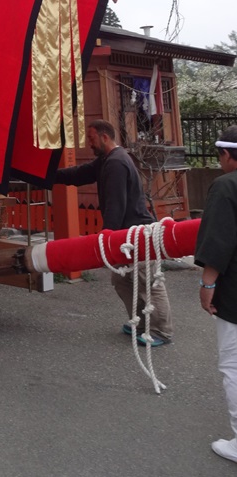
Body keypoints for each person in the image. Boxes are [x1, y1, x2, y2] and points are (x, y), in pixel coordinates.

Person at [53, 119, 173, 345]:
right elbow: (79, 174)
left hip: (137, 233)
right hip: (123, 234)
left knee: (148, 284)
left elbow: (115, 204)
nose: (89, 143)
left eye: (91, 138)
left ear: (104, 137)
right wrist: (48, 176)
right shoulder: (106, 161)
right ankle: (139, 322)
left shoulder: (117, 162)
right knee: (123, 281)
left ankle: (161, 331)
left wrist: (106, 238)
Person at [195, 125, 237, 463]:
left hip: (236, 291)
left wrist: (208, 286)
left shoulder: (226, 186)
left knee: (234, 365)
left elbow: (219, 243)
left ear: (226, 155)